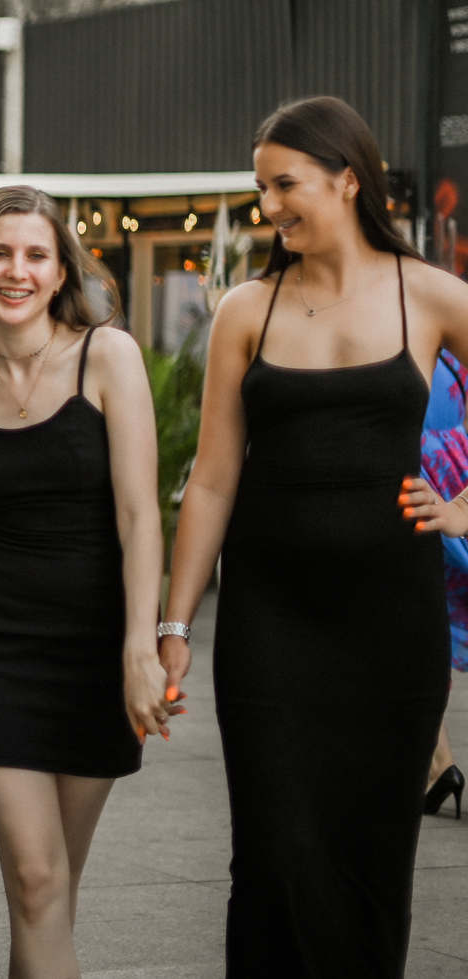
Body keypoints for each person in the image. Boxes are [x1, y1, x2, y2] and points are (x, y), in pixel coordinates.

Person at [162, 95, 468, 977]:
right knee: (272, 855)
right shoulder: (247, 309)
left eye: (284, 184)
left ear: (347, 179)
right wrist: (175, 624)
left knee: (374, 856)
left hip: (393, 625)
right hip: (269, 623)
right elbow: (212, 478)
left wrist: (462, 509)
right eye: (260, 188)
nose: (269, 206)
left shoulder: (429, 294)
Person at [0, 186, 172, 977]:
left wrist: (142, 647)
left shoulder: (108, 356)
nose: (16, 270)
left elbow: (140, 514)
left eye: (36, 254)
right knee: (35, 880)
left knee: (54, 889)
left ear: (62, 270)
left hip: (98, 648)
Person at [422, 349, 468, 817]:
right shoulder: (450, 334)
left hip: (419, 477)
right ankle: (438, 764)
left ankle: (440, 766)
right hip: (457, 465)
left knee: (415, 621)